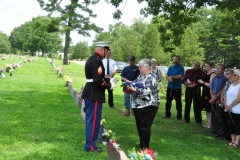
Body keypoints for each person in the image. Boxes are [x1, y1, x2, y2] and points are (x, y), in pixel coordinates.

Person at [82, 41, 112, 152]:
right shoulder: (97, 61)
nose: (107, 52)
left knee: (92, 120)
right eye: (106, 50)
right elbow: (98, 80)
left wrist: (107, 79)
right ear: (102, 49)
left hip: (91, 93)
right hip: (94, 94)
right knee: (93, 121)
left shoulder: (92, 58)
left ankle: (90, 144)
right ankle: (90, 146)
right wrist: (109, 85)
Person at [127, 59, 159, 150]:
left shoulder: (152, 77)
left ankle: (145, 147)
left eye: (140, 67)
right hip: (138, 105)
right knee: (140, 126)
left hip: (149, 105)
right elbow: (135, 83)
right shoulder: (141, 76)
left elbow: (146, 91)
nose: (139, 69)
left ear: (146, 67)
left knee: (145, 127)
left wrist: (135, 90)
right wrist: (129, 85)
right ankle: (142, 144)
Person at [162, 56, 184, 120]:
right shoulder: (170, 67)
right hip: (170, 87)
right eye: (174, 59)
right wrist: (169, 78)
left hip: (177, 87)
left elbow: (180, 76)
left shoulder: (181, 68)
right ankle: (167, 114)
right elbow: (167, 75)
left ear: (179, 60)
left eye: (176, 60)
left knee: (178, 102)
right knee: (168, 101)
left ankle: (179, 116)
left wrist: (172, 77)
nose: (175, 61)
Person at [182, 60, 204, 125]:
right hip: (188, 88)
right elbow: (183, 80)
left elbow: (202, 82)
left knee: (197, 105)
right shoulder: (188, 71)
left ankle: (198, 121)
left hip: (196, 89)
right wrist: (187, 84)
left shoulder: (201, 72)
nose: (197, 66)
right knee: (187, 104)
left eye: (198, 65)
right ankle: (186, 119)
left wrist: (195, 84)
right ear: (193, 64)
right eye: (195, 65)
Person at [209, 64, 227, 137]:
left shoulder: (224, 78)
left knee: (219, 116)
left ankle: (220, 132)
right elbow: (211, 87)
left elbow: (222, 89)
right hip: (213, 99)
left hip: (219, 100)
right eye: (217, 68)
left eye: (220, 68)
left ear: (223, 70)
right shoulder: (215, 78)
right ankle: (214, 129)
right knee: (213, 115)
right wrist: (212, 96)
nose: (218, 69)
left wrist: (215, 97)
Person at [224, 70, 240, 148]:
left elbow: (238, 99)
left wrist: (230, 106)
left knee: (236, 125)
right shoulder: (231, 85)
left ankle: (236, 142)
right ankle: (232, 140)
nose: (233, 76)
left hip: (237, 109)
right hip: (228, 108)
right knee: (230, 124)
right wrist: (226, 104)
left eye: (235, 75)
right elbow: (226, 95)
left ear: (239, 77)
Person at [198, 61, 216, 128]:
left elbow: (211, 85)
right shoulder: (205, 73)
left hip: (209, 92)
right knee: (206, 108)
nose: (205, 67)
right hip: (205, 91)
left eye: (207, 66)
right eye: (205, 66)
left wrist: (203, 82)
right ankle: (209, 123)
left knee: (209, 108)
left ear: (211, 66)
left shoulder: (213, 74)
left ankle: (211, 123)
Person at [221, 69, 234, 141]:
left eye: (228, 74)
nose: (226, 75)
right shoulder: (227, 82)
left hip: (230, 104)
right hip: (225, 102)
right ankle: (225, 135)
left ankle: (231, 137)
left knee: (230, 120)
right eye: (226, 74)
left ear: (232, 74)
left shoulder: (234, 83)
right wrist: (222, 100)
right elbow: (223, 92)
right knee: (225, 119)